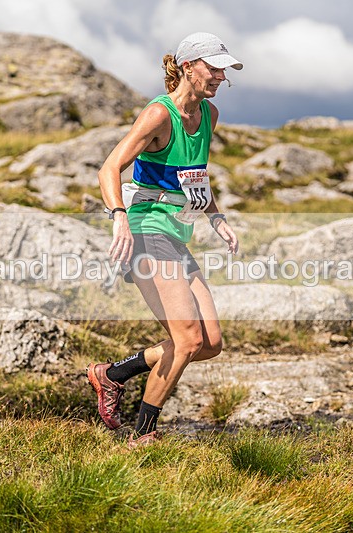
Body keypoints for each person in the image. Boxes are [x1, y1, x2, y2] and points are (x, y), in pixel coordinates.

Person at [87, 32, 242, 448]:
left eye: (224, 70)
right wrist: (119, 217)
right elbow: (109, 169)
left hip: (176, 235)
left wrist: (216, 217)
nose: (220, 76)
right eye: (214, 68)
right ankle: (144, 435)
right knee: (187, 338)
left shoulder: (209, 116)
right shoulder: (159, 115)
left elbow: (194, 177)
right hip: (145, 230)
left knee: (209, 343)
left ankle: (112, 375)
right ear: (188, 67)